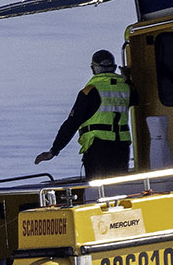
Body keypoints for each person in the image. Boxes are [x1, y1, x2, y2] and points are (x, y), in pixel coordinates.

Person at [34, 49, 133, 180]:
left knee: (98, 188)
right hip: (122, 147)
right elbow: (137, 99)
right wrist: (127, 78)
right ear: (114, 67)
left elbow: (71, 124)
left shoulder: (89, 91)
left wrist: (54, 150)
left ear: (94, 68)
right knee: (119, 185)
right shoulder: (127, 88)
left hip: (98, 147)